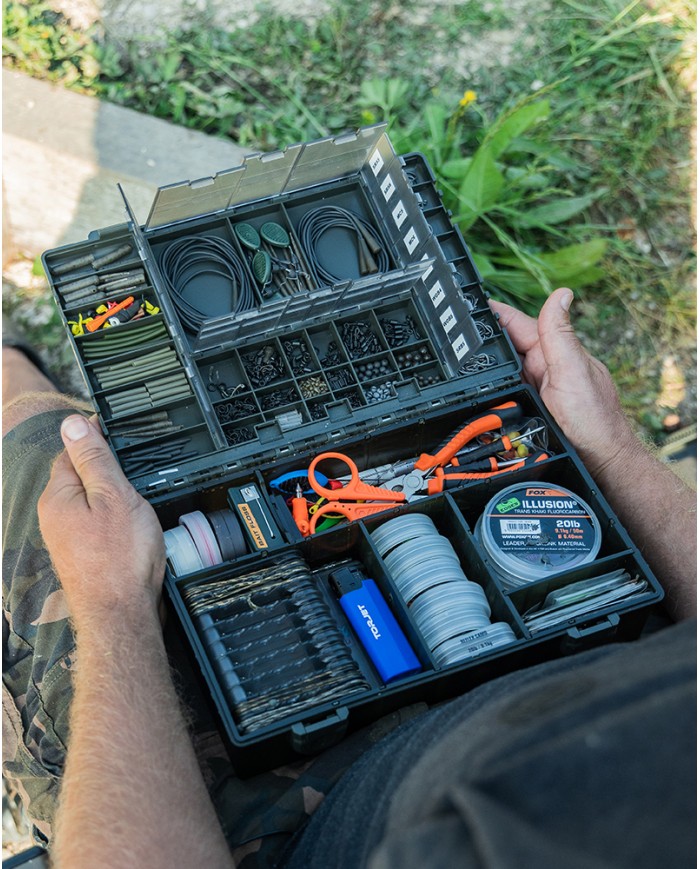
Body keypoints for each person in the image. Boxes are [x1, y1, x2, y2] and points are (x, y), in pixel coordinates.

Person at [2, 288, 695, 868]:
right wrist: (610, 451)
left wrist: (113, 603)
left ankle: (12, 373)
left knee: (37, 435)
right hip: (577, 653)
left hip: (292, 821)